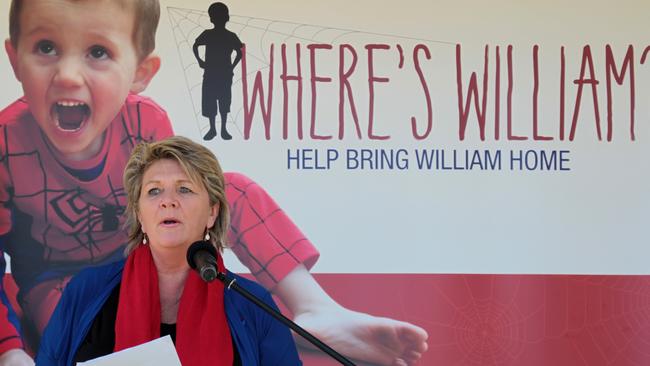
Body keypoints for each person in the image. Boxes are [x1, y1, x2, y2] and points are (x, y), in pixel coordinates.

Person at [0, 0, 427, 365]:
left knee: (229, 186)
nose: (69, 75)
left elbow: (179, 209)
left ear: (140, 73)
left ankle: (313, 308)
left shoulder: (145, 121)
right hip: (57, 280)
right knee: (83, 329)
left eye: (97, 51)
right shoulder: (6, 139)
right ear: (15, 57)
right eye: (47, 47)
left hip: (145, 260)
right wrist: (10, 349)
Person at [36, 136, 302, 365]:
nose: (167, 202)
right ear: (140, 214)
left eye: (184, 189)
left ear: (212, 212)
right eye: (154, 191)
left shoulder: (252, 303)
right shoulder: (87, 291)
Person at [192, 2, 241, 141]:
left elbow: (240, 52)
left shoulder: (228, 36)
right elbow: (195, 45)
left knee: (223, 100)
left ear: (211, 18)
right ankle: (214, 129)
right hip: (214, 73)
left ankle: (222, 129)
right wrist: (200, 61)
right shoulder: (214, 35)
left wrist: (201, 61)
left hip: (220, 74)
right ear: (227, 17)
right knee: (212, 100)